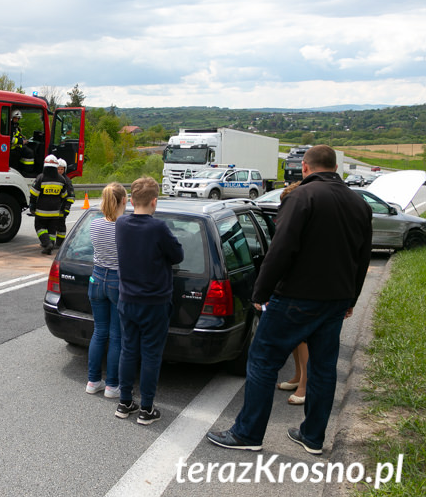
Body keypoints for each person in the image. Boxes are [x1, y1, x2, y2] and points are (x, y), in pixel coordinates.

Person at [206, 145, 371, 455]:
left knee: (263, 360)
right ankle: (312, 436)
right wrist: (353, 297)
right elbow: (362, 258)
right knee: (323, 368)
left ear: (305, 168)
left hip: (295, 297)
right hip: (336, 299)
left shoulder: (301, 197)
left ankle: (248, 433)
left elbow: (280, 250)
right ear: (335, 168)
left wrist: (260, 292)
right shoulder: (358, 203)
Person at [115, 177, 183, 425]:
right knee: (151, 354)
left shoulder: (121, 223)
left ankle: (124, 403)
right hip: (154, 302)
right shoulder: (158, 228)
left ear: (131, 201)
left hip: (127, 300)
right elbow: (177, 255)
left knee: (128, 350)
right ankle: (146, 409)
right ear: (155, 201)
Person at [86, 182, 128, 399]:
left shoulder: (94, 224)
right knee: (116, 335)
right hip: (116, 281)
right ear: (123, 201)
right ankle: (112, 385)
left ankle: (93, 381)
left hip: (97, 278)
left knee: (99, 331)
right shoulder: (125, 227)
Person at [274, 181, 307, 406]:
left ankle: (305, 385)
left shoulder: (307, 221)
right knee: (296, 339)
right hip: (293, 286)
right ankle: (297, 377)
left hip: (306, 288)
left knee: (303, 338)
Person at [28, 155, 68, 255]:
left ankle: (47, 244)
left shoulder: (41, 178)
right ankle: (51, 245)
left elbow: (34, 194)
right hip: (55, 212)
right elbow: (64, 196)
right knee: (52, 230)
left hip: (42, 211)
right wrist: (62, 208)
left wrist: (32, 206)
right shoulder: (62, 180)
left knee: (39, 227)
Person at [54, 158, 75, 248]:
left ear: (64, 170)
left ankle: (60, 243)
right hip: (53, 207)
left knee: (61, 226)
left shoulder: (67, 181)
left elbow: (70, 196)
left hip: (62, 207)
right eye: (58, 169)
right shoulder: (53, 179)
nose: (60, 171)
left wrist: (67, 208)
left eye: (62, 169)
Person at [9, 110, 35, 176]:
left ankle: (23, 170)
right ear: (12, 117)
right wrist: (22, 141)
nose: (17, 119)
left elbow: (16, 135)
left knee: (28, 152)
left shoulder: (15, 126)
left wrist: (22, 138)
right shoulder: (11, 127)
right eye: (15, 118)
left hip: (17, 147)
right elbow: (10, 139)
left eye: (18, 118)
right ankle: (27, 172)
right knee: (29, 153)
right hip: (13, 149)